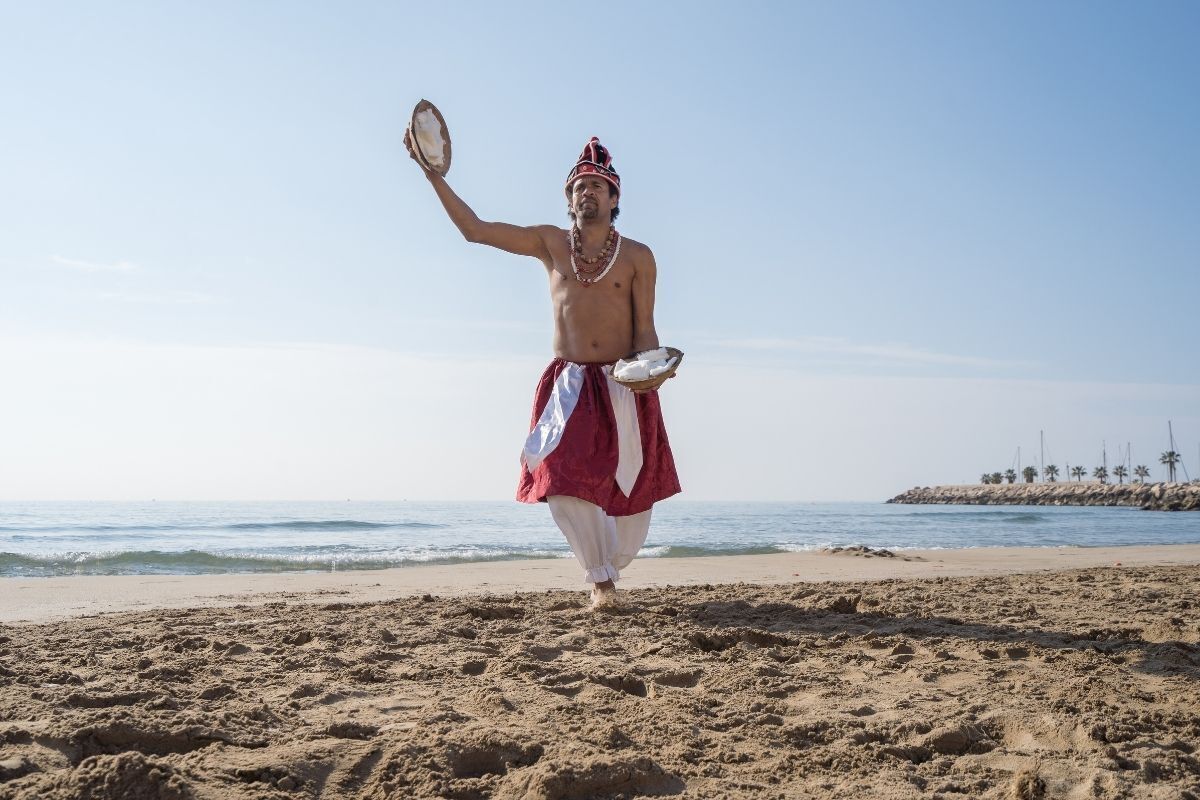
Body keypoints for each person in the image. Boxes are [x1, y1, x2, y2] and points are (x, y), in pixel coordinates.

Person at [404, 131, 681, 608]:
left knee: (632, 488)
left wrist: (652, 371)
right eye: (578, 186)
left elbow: (645, 330)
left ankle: (610, 564)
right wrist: (433, 176)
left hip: (622, 382)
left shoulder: (638, 256)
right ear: (568, 198)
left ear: (614, 197)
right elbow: (475, 229)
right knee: (558, 476)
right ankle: (601, 581)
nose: (586, 192)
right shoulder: (549, 243)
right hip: (570, 384)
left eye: (597, 185)